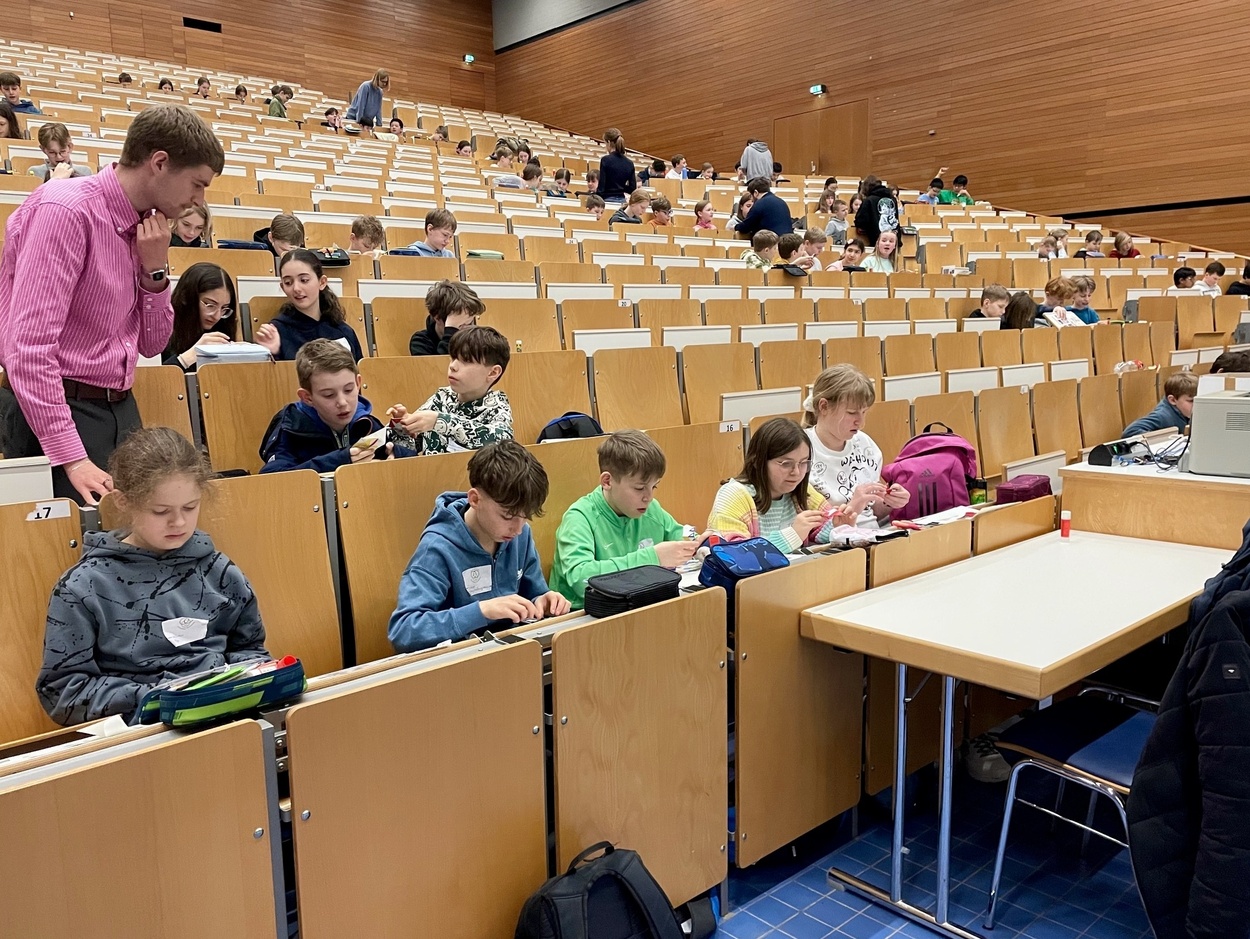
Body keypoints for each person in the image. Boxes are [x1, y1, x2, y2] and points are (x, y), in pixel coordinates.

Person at [0, 104, 223, 505]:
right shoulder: (65, 210)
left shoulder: (149, 228)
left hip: (120, 408)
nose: (198, 199)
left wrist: (155, 271)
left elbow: (153, 345)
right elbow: (28, 349)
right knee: (78, 543)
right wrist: (71, 456)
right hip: (57, 412)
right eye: (197, 184)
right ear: (159, 163)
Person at [36, 427, 269, 726]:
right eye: (160, 511)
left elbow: (250, 650)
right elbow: (62, 692)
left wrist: (244, 677)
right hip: (142, 732)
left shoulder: (221, 572)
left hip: (224, 720)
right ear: (123, 501)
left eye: (190, 507)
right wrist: (152, 696)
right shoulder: (83, 587)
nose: (179, 522)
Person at [388, 440, 571, 652]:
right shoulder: (437, 548)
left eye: (526, 517)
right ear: (475, 499)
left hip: (513, 654)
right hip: (462, 661)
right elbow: (404, 630)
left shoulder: (519, 535)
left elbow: (534, 593)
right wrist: (481, 612)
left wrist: (544, 600)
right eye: (507, 516)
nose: (518, 529)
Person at [550, 430, 703, 608]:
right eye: (639, 488)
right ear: (607, 481)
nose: (649, 497)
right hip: (587, 614)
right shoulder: (579, 518)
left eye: (654, 487)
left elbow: (680, 532)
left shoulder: (651, 509)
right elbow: (581, 580)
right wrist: (652, 557)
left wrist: (701, 542)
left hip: (637, 606)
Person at [259, 339, 414, 473]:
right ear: (307, 397)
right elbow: (273, 479)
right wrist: (339, 461)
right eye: (329, 395)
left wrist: (398, 453)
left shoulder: (366, 423)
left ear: (358, 384)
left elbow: (409, 459)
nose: (342, 402)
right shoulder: (289, 427)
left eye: (348, 390)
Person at [803, 365, 910, 528]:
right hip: (833, 540)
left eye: (864, 412)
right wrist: (854, 506)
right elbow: (806, 527)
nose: (861, 422)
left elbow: (872, 512)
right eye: (852, 413)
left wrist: (890, 502)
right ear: (823, 406)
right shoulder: (800, 451)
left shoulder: (865, 444)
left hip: (872, 536)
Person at [708, 417, 834, 551]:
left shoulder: (801, 490)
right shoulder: (733, 496)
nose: (796, 472)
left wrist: (837, 526)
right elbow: (736, 553)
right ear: (758, 461)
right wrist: (793, 535)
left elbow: (821, 528)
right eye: (786, 464)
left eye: (803, 463)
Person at [388, 326, 513, 455]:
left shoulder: (497, 405)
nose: (453, 366)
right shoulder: (442, 397)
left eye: (466, 361)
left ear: (493, 372)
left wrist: (441, 422)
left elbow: (503, 440)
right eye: (453, 358)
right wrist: (401, 426)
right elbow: (410, 447)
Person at [255, 248, 364, 361]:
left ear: (322, 282)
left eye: (304, 280)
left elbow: (358, 370)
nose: (296, 288)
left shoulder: (343, 331)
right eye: (288, 283)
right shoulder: (276, 332)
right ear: (283, 287)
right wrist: (273, 354)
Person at [162, 262, 237, 371]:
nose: (217, 316)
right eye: (210, 305)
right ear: (185, 297)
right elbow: (153, 378)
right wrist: (188, 357)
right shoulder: (161, 327)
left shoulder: (222, 325)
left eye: (224, 308)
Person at [410, 279, 485, 356]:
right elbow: (443, 363)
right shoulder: (420, 342)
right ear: (437, 318)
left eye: (469, 323)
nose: (466, 330)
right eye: (460, 326)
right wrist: (451, 332)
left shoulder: (477, 340)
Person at [1123, 372, 1197, 437]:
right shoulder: (1163, 415)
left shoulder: (1183, 411)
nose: (1196, 404)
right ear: (1172, 400)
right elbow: (1130, 432)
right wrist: (1163, 439)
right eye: (1191, 401)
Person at [28, 123, 93, 181]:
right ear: (43, 150)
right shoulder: (35, 173)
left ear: (70, 147)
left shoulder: (85, 172)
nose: (59, 157)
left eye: (62, 151)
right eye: (52, 152)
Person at [855, 175, 900, 246]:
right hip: (894, 239)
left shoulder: (869, 200)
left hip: (878, 241)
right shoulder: (892, 199)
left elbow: (861, 222)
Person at [597, 129, 637, 202]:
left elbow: (601, 187)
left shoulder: (605, 160)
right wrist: (620, 187)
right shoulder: (629, 163)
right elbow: (632, 188)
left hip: (608, 199)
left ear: (609, 142)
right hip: (622, 200)